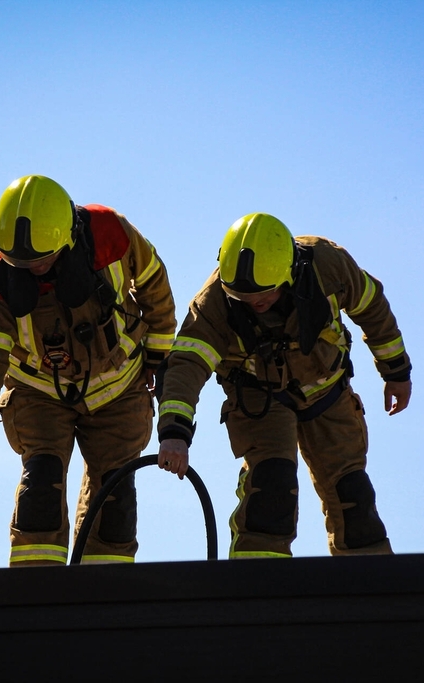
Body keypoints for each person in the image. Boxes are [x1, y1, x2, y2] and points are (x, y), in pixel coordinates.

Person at [0, 175, 176, 566]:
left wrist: (157, 357)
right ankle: (35, 598)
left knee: (115, 498)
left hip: (119, 390)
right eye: (23, 263)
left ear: (67, 234)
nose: (33, 270)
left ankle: (101, 601)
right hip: (38, 395)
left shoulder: (111, 234)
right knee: (42, 487)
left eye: (42, 260)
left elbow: (155, 287)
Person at [155, 213, 411, 558]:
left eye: (263, 294)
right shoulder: (214, 301)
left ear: (288, 273)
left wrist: (396, 371)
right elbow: (187, 363)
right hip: (260, 400)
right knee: (271, 491)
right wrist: (175, 432)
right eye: (242, 296)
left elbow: (372, 307)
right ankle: (255, 596)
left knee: (355, 501)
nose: (253, 302)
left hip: (328, 395)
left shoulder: (328, 266)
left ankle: (371, 598)